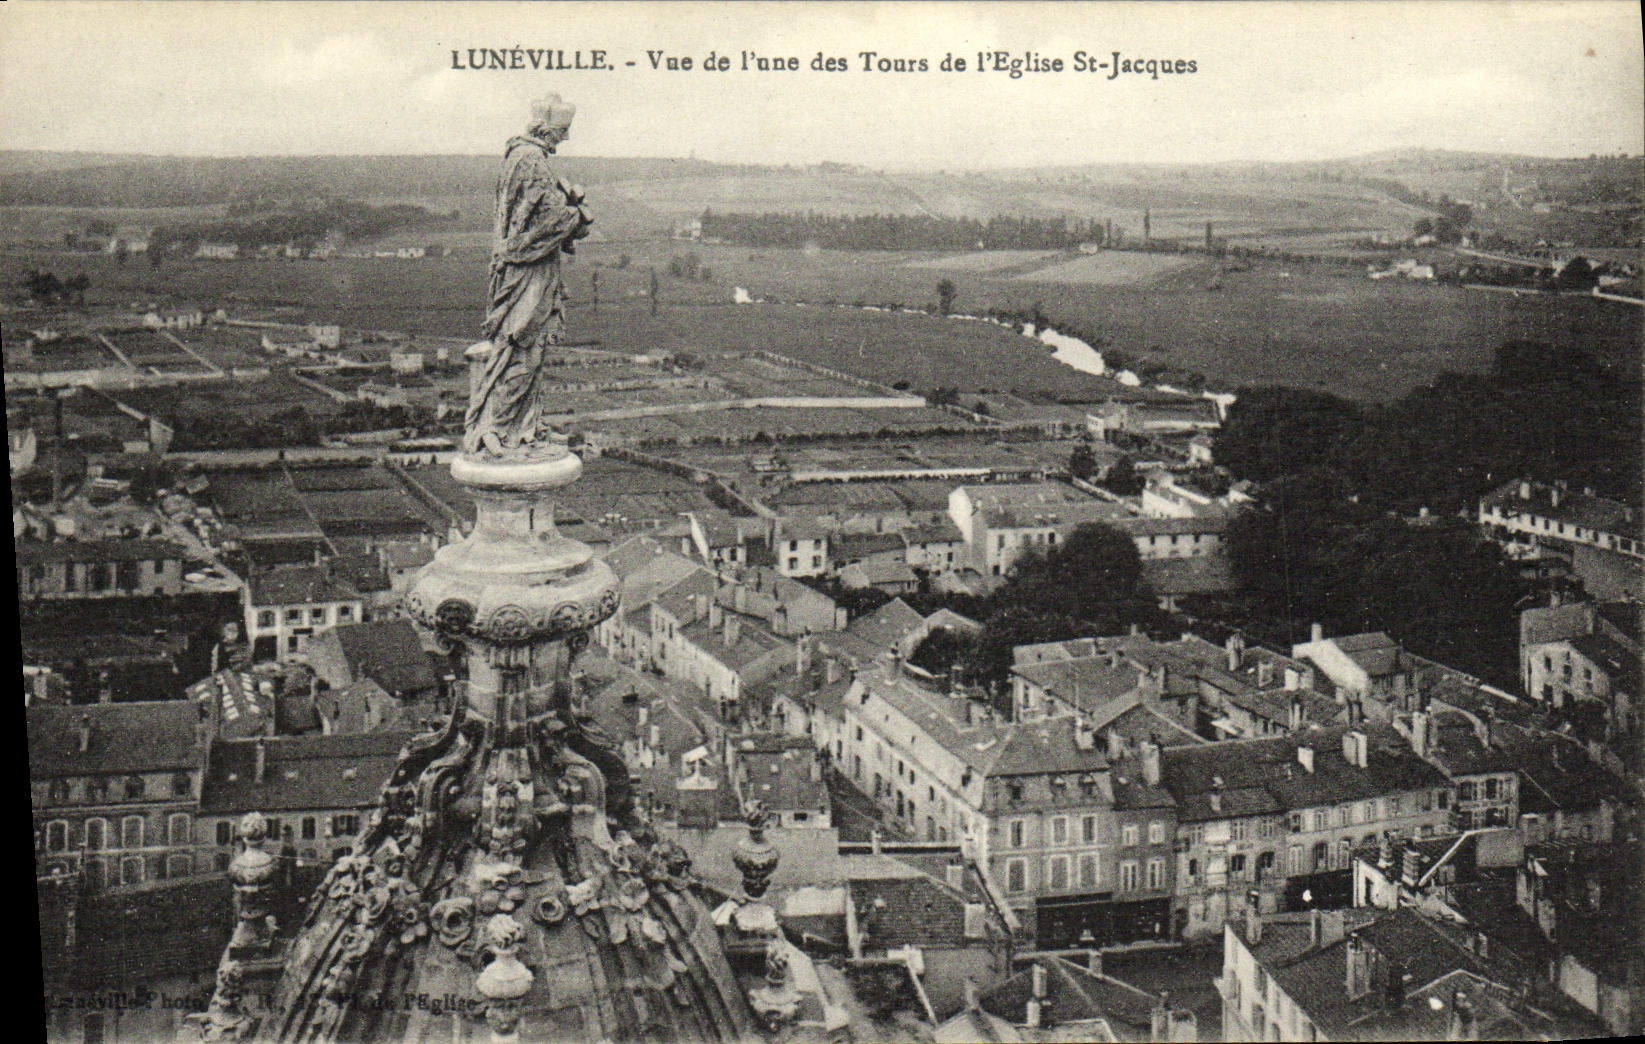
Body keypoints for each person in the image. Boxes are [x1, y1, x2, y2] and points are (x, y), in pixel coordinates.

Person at [464, 95, 593, 455]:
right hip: (528, 271)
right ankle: (498, 428)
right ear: (547, 129)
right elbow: (547, 224)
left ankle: (524, 426)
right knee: (523, 349)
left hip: (530, 268)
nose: (565, 138)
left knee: (528, 348)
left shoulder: (519, 157)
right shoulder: (533, 162)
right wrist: (578, 213)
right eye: (563, 130)